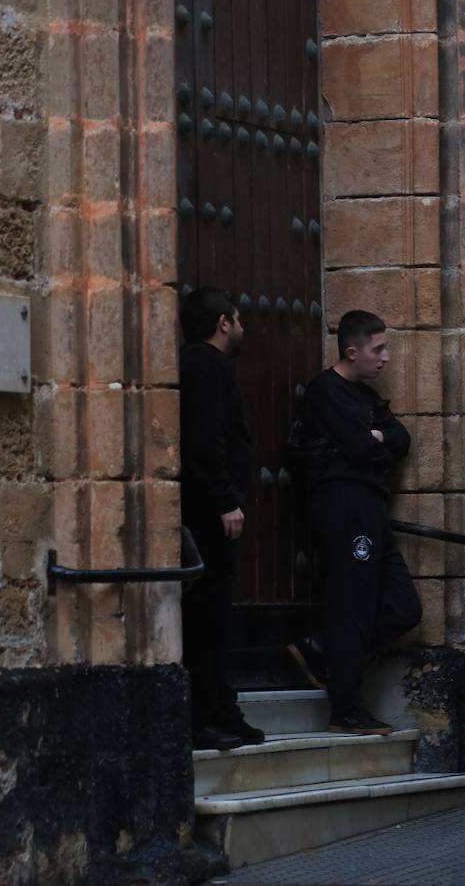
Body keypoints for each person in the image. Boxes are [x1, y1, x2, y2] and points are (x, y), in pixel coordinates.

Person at [287, 311, 422, 735]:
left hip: (372, 508)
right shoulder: (327, 392)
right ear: (352, 351)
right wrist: (373, 440)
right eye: (377, 349)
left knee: (403, 606)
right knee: (353, 605)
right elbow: (367, 451)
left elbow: (399, 440)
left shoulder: (364, 396)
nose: (385, 358)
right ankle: (346, 708)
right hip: (344, 505)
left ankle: (320, 647)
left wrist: (375, 438)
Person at [179, 287, 263, 750]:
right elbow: (205, 441)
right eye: (238, 318)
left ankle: (219, 709)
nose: (243, 326)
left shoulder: (199, 365)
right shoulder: (207, 366)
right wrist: (225, 499)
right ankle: (207, 714)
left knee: (210, 614)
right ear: (223, 322)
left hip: (206, 509)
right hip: (210, 515)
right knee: (208, 615)